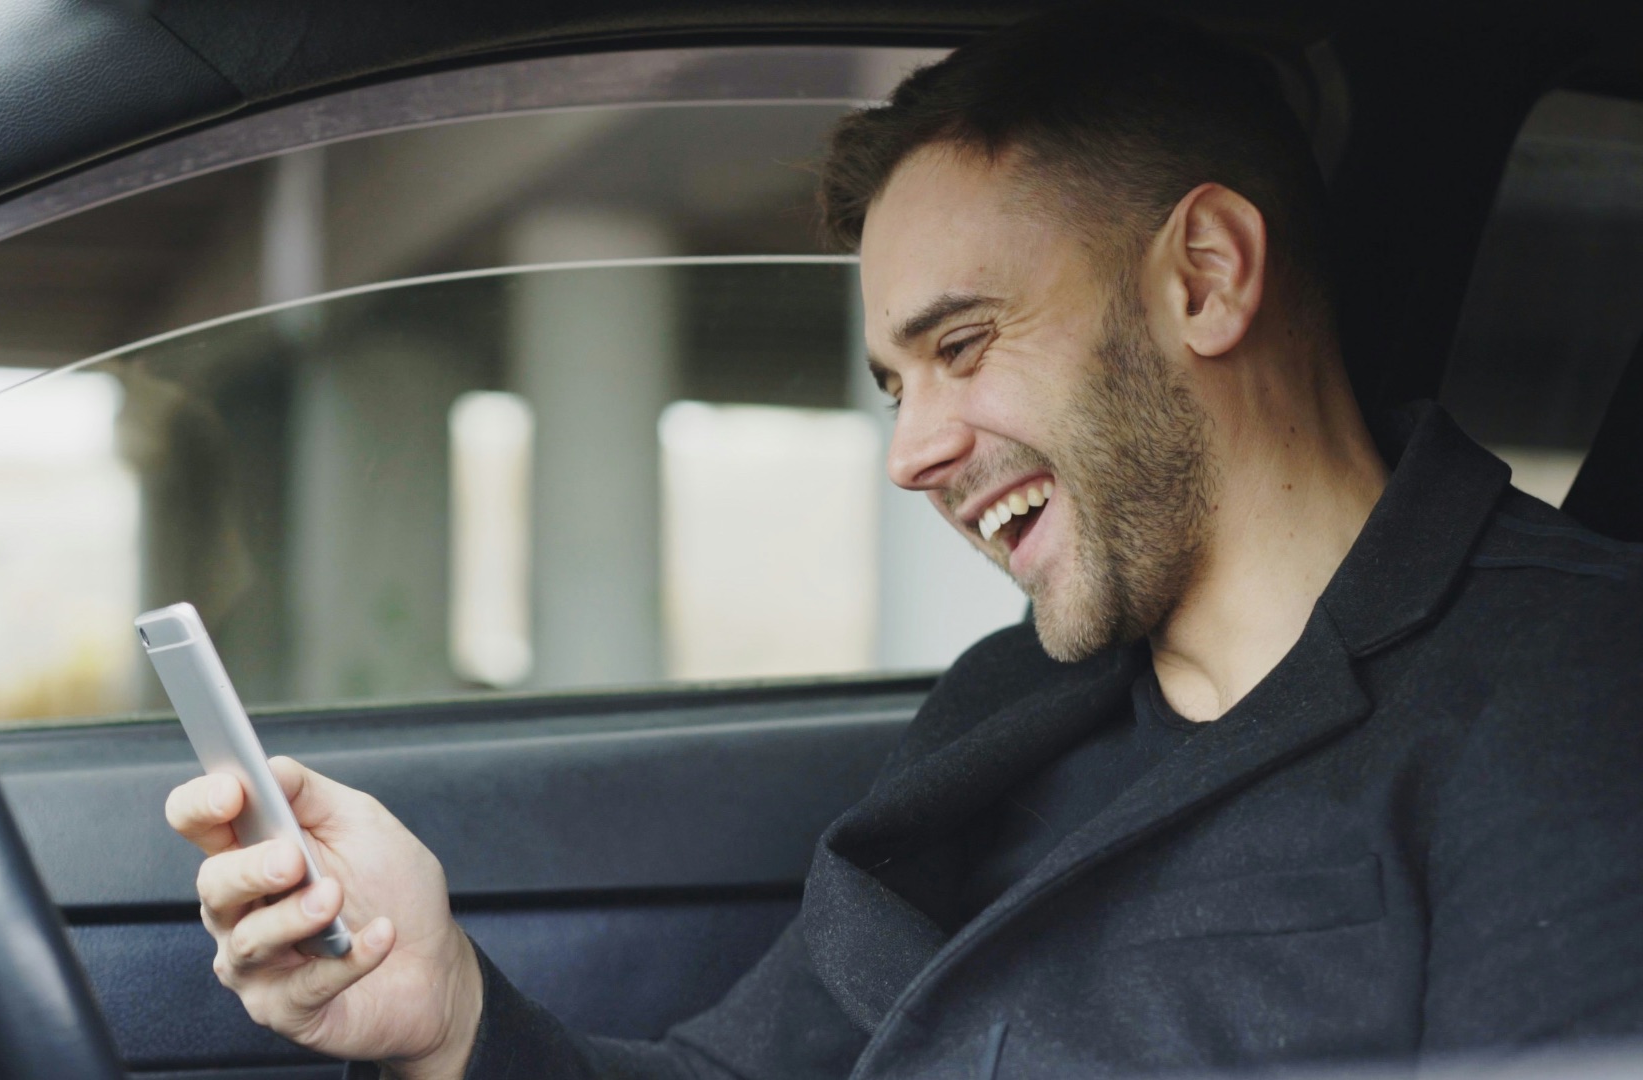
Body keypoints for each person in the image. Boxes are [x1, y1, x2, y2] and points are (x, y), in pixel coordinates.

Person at [164, 9, 1643, 1079]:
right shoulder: (1003, 712)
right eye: (893, 382)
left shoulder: (1576, 696)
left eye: (967, 343)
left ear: (1205, 277)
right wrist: (452, 1014)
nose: (912, 453)